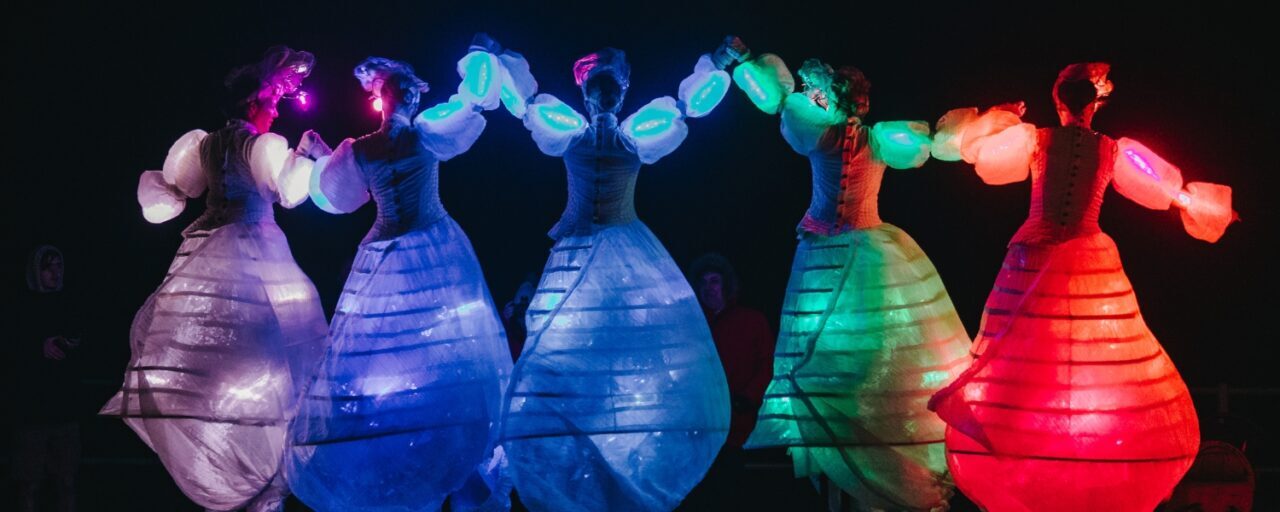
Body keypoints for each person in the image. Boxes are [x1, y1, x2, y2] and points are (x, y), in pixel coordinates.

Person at [928, 62, 1236, 511]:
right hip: (1075, 249)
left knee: (1026, 348)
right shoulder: (1108, 149)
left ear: (1060, 101)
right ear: (1095, 102)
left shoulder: (1037, 139)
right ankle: (1055, 453)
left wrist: (989, 126)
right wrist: (1194, 203)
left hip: (1035, 250)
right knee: (1053, 348)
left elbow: (985, 159)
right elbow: (1162, 189)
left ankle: (1042, 451)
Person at [495, 39, 746, 511]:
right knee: (563, 348)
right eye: (596, 89)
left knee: (628, 347)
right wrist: (498, 62)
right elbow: (526, 107)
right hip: (574, 248)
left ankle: (627, 464)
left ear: (623, 92)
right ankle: (576, 467)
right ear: (585, 92)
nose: (603, 98)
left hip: (626, 248)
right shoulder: (568, 132)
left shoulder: (637, 134)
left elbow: (688, 109)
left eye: (610, 90)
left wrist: (717, 62)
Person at [728, 40, 972, 511]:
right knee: (828, 354)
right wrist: (743, 63)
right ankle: (838, 471)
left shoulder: (854, 137)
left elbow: (933, 147)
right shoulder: (843, 134)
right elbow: (781, 104)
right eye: (851, 97)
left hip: (852, 251)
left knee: (860, 354)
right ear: (847, 99)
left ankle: (864, 470)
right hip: (838, 249)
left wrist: (974, 137)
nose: (854, 105)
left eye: (854, 98)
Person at [286, 35, 512, 512]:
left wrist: (480, 60)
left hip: (433, 249)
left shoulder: (428, 131)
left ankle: (457, 466)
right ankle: (398, 475)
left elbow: (470, 109)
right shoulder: (361, 150)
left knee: (446, 359)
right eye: (397, 88)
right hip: (388, 254)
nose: (407, 94)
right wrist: (319, 154)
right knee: (384, 368)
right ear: (379, 96)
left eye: (410, 87)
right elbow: (337, 194)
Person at [99, 46, 328, 512]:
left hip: (209, 248)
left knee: (222, 356)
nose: (277, 107)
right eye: (271, 101)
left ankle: (241, 466)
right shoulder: (261, 146)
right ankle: (254, 472)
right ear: (252, 105)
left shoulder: (203, 144)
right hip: (254, 251)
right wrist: (307, 154)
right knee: (266, 350)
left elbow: (174, 193)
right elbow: (288, 192)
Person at [12, 246, 84, 512]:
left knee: (66, 481)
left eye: (59, 266)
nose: (56, 272)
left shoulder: (69, 302)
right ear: (36, 271)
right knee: (29, 483)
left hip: (64, 410)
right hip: (32, 413)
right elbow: (12, 349)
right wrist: (37, 347)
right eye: (49, 267)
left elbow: (81, 340)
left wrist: (70, 343)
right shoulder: (20, 307)